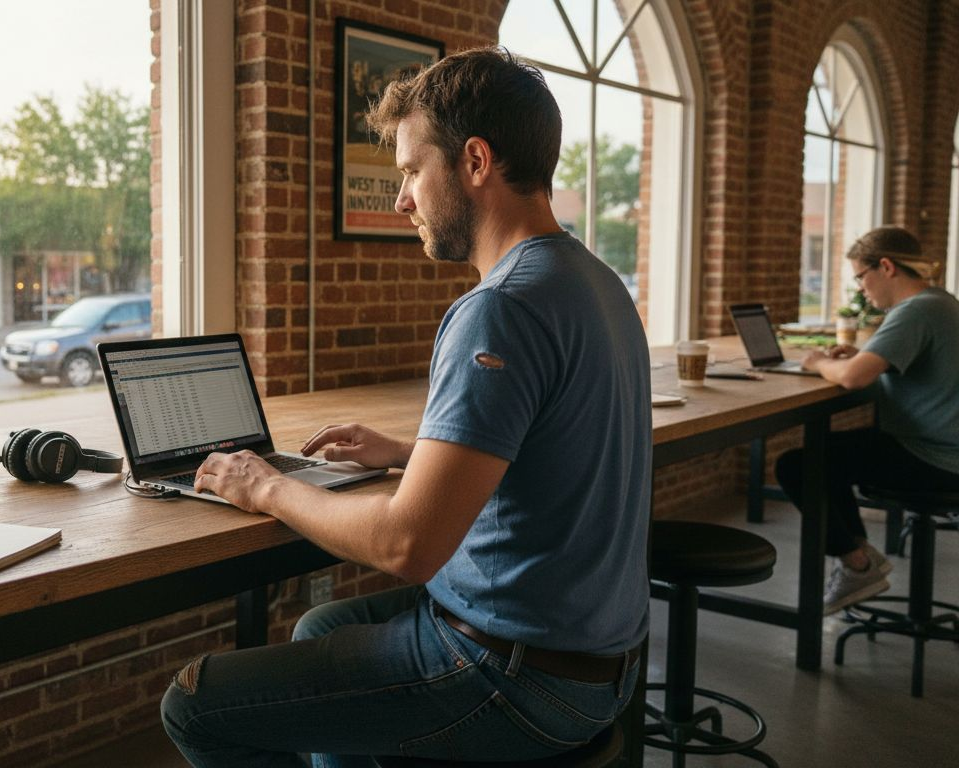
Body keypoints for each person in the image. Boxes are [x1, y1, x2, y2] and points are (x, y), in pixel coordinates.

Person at [160, 47, 651, 767]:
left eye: (411, 172)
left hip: (514, 679)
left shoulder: (500, 309)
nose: (401, 200)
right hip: (603, 660)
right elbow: (554, 452)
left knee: (195, 704)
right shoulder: (595, 282)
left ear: (475, 162)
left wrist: (265, 485)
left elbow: (406, 546)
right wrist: (407, 453)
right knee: (321, 625)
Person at [775, 226, 959, 614]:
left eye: (861, 276)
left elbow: (855, 378)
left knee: (799, 464)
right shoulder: (942, 303)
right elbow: (894, 367)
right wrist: (860, 355)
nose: (861, 289)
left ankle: (857, 563)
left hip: (934, 457)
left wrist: (821, 361)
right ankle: (859, 559)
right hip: (946, 451)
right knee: (828, 457)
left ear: (886, 266)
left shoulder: (916, 310)